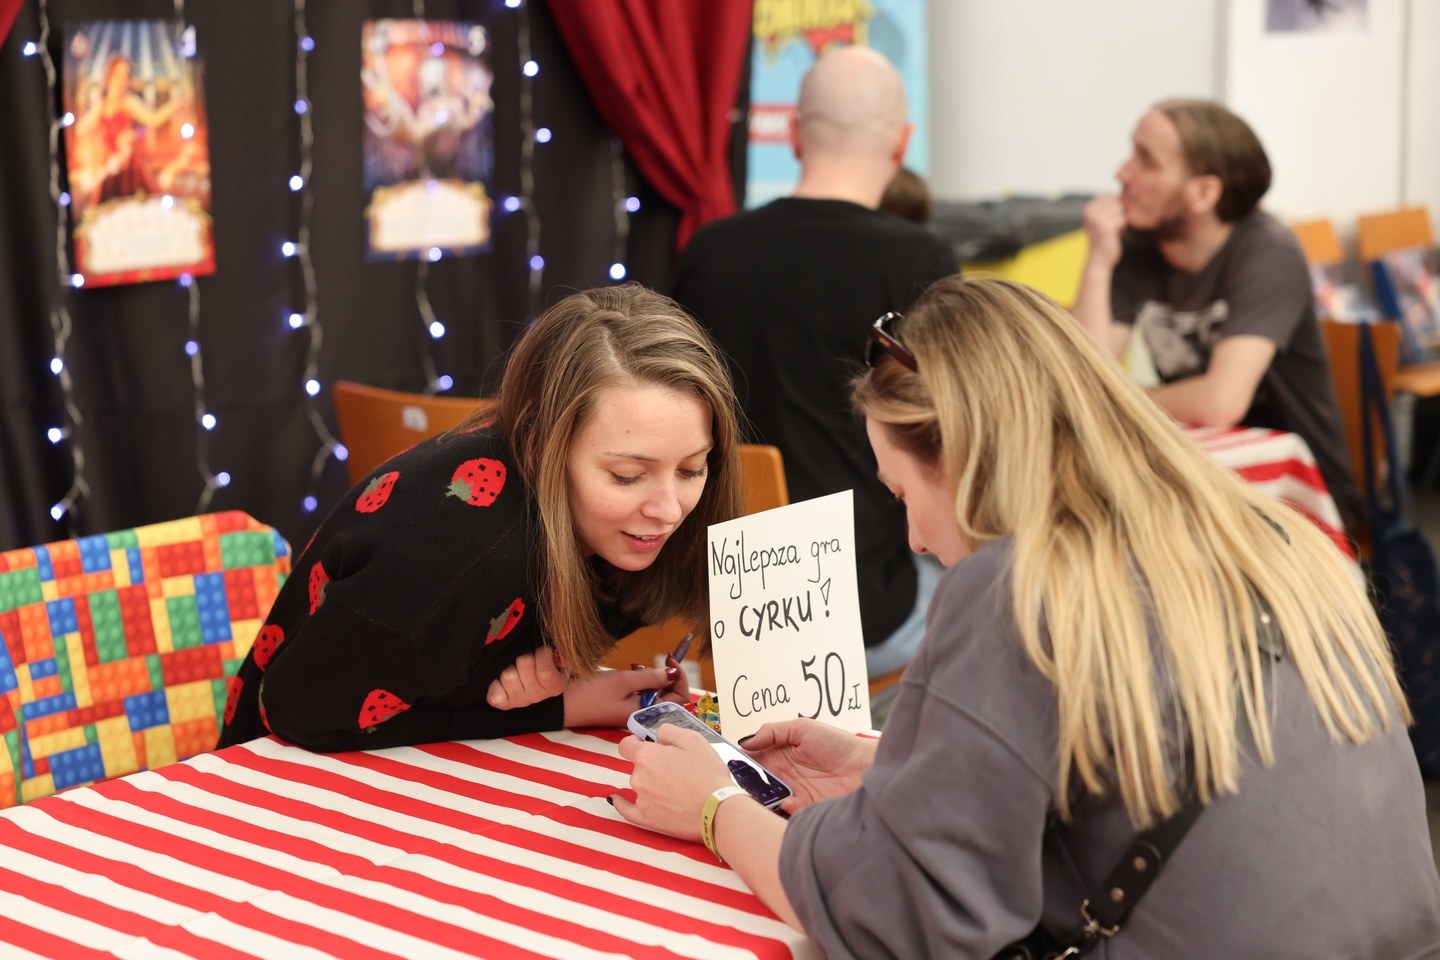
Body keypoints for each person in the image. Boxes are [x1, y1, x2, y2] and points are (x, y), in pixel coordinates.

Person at [614, 276, 1440, 958]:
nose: (916, 539)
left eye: (903, 494)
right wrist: (888, 765)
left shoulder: (1018, 588)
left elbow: (899, 922)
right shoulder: (1272, 535)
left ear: (966, 463)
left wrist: (714, 808)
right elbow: (1142, 759)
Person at [218, 284, 743, 750]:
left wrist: (547, 683)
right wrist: (549, 709)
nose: (669, 510)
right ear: (539, 446)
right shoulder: (454, 564)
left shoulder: (623, 529)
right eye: (627, 476)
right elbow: (299, 715)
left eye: (692, 469)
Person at [672, 46, 956, 677]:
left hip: (716, 610)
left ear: (795, 135)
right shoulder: (921, 261)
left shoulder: (707, 252)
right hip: (858, 615)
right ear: (902, 142)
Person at [1071, 98, 1363, 533]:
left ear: (1204, 193)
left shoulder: (1269, 252)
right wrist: (1099, 261)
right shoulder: (1135, 246)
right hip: (1201, 476)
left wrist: (1114, 400)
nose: (1122, 173)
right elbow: (1080, 374)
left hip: (1296, 496)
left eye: (1146, 160)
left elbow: (1221, 401)